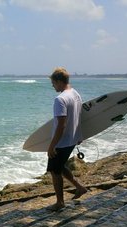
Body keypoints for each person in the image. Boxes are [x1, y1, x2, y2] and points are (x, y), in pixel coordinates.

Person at [46, 67, 88, 211]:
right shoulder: (75, 94)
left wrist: (52, 146)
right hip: (72, 138)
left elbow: (61, 126)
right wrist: (79, 135)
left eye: (53, 83)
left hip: (62, 142)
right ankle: (80, 188)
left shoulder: (60, 99)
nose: (52, 86)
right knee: (60, 166)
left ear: (59, 81)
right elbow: (78, 116)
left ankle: (60, 203)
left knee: (54, 171)